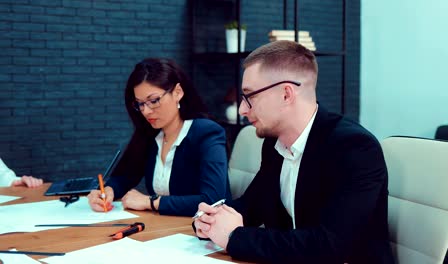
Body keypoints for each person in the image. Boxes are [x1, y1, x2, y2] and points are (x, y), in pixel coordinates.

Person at [194, 41, 394, 263]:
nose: (242, 109)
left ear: (286, 94)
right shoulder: (273, 143)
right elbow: (252, 204)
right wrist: (211, 218)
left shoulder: (354, 147)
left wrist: (234, 237)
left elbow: (329, 246)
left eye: (250, 96)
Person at [87, 58, 231, 216]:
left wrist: (150, 202)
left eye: (153, 101)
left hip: (202, 233)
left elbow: (213, 201)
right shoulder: (151, 134)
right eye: (140, 104)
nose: (146, 111)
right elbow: (126, 176)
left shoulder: (207, 133)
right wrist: (108, 190)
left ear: (177, 92)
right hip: (162, 228)